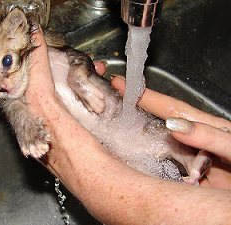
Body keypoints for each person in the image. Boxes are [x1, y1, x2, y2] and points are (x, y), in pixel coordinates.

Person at [25, 30, 231, 224]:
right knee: (143, 157)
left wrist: (118, 196)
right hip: (107, 139)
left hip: (117, 119)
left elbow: (80, 62)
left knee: (158, 136)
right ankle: (190, 165)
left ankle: (191, 160)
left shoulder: (57, 54)